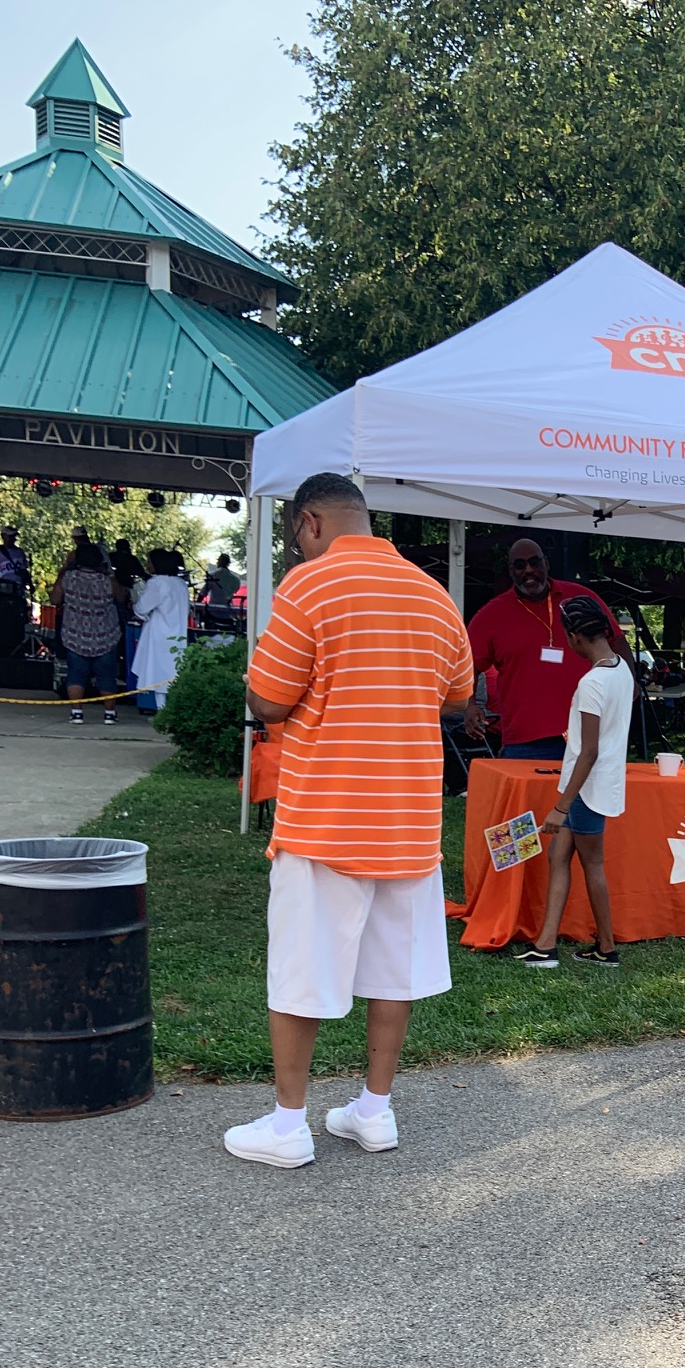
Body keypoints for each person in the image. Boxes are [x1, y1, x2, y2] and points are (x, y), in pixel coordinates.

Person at [223, 472, 474, 1169]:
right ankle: (374, 1110)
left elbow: (269, 702)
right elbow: (458, 695)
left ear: (309, 523)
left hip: (326, 817)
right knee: (395, 971)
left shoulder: (308, 588)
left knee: (301, 971)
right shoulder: (433, 595)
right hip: (410, 820)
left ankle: (287, 1124)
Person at [515, 597, 635, 971]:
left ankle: (607, 948)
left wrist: (561, 806)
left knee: (592, 865)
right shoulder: (622, 672)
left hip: (586, 789)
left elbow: (590, 752)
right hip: (597, 785)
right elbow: (597, 741)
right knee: (558, 856)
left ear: (574, 637)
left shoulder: (591, 682)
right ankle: (546, 944)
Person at [465, 538, 623, 757]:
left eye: (534, 562)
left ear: (546, 563)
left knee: (585, 792)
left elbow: (617, 640)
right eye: (520, 565)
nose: (528, 570)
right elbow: (466, 664)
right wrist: (470, 705)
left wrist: (629, 683)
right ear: (511, 571)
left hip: (587, 733)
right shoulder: (491, 615)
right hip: (525, 740)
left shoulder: (579, 597)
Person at [50, 539, 125, 724]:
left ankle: (76, 713)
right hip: (105, 633)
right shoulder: (107, 580)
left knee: (76, 673)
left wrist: (64, 569)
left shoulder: (68, 578)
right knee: (106, 675)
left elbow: (55, 599)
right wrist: (110, 574)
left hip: (75, 633)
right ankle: (109, 714)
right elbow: (122, 598)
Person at [130, 548, 189, 709]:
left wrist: (135, 603)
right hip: (178, 632)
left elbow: (142, 608)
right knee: (173, 671)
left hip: (160, 634)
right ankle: (173, 710)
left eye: (149, 561)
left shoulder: (157, 583)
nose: (147, 565)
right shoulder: (180, 583)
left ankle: (162, 710)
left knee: (158, 672)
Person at [0, 525, 30, 593]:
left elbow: (24, 570)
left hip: (17, 587)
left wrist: (30, 584)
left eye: (14, 536)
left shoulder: (19, 552)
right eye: (10, 536)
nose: (13, 539)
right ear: (3, 536)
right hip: (1, 588)